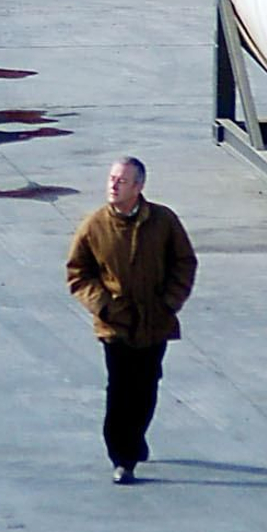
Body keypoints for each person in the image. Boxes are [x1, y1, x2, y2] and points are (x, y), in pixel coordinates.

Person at [65, 156, 196, 484]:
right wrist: (104, 306)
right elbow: (78, 272)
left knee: (147, 386)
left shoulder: (164, 222)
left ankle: (136, 439)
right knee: (120, 389)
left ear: (138, 187)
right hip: (115, 323)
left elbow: (184, 262)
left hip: (155, 321)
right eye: (111, 178)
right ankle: (122, 457)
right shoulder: (95, 226)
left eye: (122, 181)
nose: (113, 185)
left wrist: (169, 303)